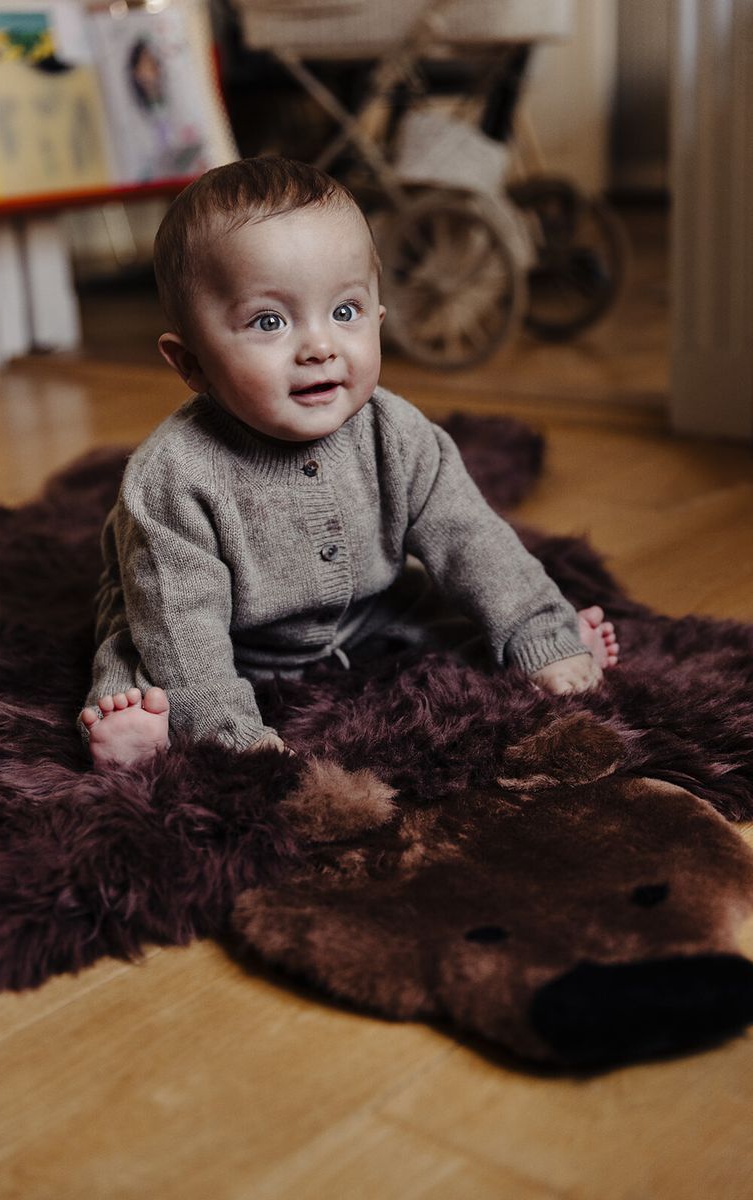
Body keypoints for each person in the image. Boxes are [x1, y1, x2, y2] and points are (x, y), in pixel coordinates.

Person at [79, 156, 619, 768]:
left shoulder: (397, 433)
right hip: (227, 637)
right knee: (144, 647)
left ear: (379, 320)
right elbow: (183, 627)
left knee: (453, 601)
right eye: (269, 321)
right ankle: (132, 724)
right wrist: (231, 737)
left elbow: (472, 538)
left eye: (344, 312)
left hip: (363, 613)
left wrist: (538, 632)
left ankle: (546, 640)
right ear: (191, 363)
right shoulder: (174, 478)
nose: (319, 346)